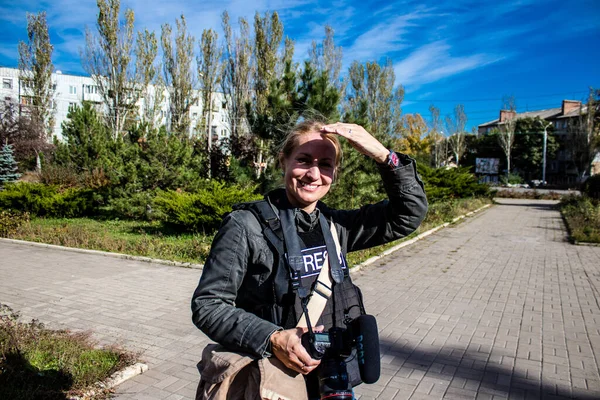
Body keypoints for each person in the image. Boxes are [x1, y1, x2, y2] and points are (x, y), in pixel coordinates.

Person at [191, 119, 428, 397]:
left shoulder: (336, 225)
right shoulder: (246, 226)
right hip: (273, 380)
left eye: (325, 164)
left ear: (334, 173)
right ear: (284, 162)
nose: (314, 174)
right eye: (304, 160)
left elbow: (408, 215)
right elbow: (208, 304)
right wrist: (273, 338)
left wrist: (383, 156)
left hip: (332, 379)